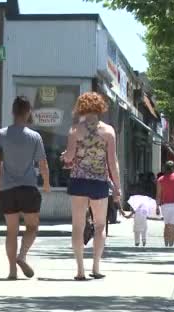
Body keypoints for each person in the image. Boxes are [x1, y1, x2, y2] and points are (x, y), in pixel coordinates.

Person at [0, 96, 50, 280]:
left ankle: (12, 271)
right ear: (28, 112)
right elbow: (43, 164)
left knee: (11, 231)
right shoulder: (34, 136)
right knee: (32, 226)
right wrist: (46, 183)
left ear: (12, 111)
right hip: (28, 188)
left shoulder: (1, 134)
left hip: (7, 189)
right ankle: (22, 256)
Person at [62, 92, 121, 281]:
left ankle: (80, 270)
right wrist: (118, 187)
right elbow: (113, 162)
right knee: (100, 225)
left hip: (78, 180)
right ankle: (96, 266)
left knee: (78, 226)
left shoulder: (74, 130)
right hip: (99, 182)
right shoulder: (108, 131)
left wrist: (65, 157)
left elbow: (69, 158)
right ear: (100, 108)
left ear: (81, 108)